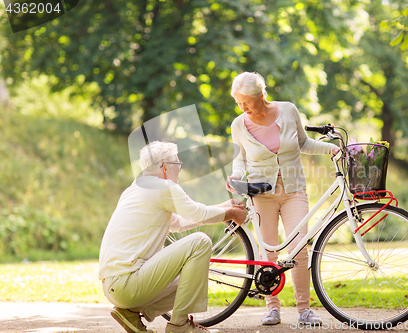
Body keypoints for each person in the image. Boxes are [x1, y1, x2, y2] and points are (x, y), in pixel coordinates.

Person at [226, 72, 340, 326]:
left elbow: (303, 142)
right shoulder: (238, 124)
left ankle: (304, 310)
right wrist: (235, 174)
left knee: (299, 248)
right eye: (238, 103)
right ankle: (272, 308)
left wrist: (331, 148)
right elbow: (239, 157)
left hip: (293, 190)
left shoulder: (288, 111)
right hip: (261, 193)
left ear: (261, 96)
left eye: (246, 102)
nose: (243, 108)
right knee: (268, 252)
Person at [99, 141, 246, 333]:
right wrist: (230, 214)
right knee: (200, 242)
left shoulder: (136, 187)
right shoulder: (163, 187)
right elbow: (197, 214)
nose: (179, 169)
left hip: (116, 286)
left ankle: (130, 313)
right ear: (164, 166)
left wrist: (226, 206)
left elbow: (178, 223)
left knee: (192, 281)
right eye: (177, 164)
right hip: (128, 283)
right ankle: (179, 325)